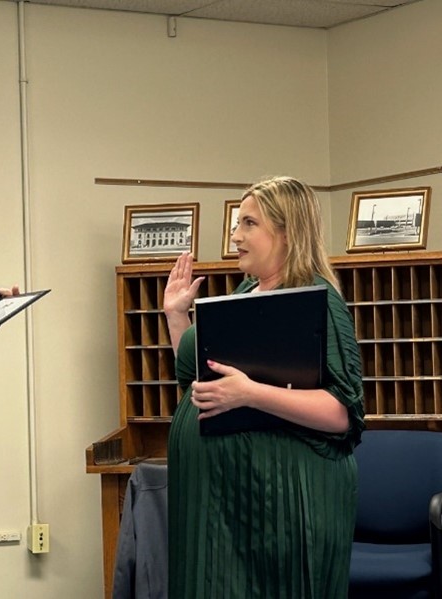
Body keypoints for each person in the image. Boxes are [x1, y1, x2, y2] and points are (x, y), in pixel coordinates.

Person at [163, 176, 365, 598]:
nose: (235, 236)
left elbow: (341, 412)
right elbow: (202, 381)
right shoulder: (245, 293)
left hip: (279, 503)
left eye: (249, 224)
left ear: (288, 231)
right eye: (237, 224)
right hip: (223, 505)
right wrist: (176, 317)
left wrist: (251, 393)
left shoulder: (315, 299)